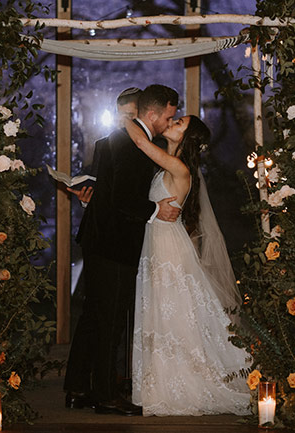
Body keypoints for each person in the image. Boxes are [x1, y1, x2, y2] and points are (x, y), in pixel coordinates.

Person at [63, 84, 181, 416]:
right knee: (110, 321)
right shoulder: (134, 146)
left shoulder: (120, 140)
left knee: (93, 316)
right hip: (115, 243)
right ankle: (105, 395)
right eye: (168, 116)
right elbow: (124, 199)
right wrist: (157, 209)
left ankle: (77, 388)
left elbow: (111, 192)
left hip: (99, 239)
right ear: (152, 114)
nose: (168, 123)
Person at [124, 115, 250, 416]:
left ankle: (181, 383)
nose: (172, 123)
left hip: (168, 248)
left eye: (179, 122)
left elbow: (140, 141)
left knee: (173, 312)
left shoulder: (179, 168)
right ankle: (160, 384)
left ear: (188, 137)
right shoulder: (166, 165)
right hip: (157, 244)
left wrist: (126, 117)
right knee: (161, 312)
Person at [67, 87, 143, 205]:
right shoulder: (103, 146)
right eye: (120, 115)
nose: (123, 121)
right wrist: (87, 200)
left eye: (129, 116)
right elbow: (96, 187)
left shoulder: (158, 146)